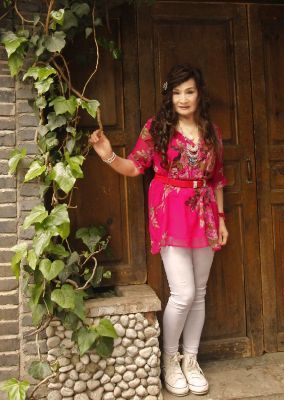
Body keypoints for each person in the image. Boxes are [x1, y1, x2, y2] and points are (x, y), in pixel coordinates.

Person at [89, 63, 228, 396]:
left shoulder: (211, 130)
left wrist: (222, 218)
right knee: (184, 293)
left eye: (189, 91)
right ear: (170, 96)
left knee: (200, 293)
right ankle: (169, 360)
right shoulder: (157, 128)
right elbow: (134, 167)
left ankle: (190, 360)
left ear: (199, 94)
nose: (183, 99)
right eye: (177, 92)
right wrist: (108, 156)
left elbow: (217, 179)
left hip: (205, 215)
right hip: (170, 215)